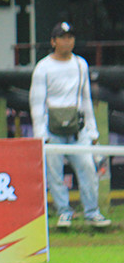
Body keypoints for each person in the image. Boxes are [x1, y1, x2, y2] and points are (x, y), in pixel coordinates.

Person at [30, 22, 111, 229]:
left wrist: (92, 130)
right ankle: (64, 211)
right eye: (63, 37)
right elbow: (37, 102)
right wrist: (41, 133)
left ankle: (92, 211)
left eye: (70, 37)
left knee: (87, 167)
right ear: (53, 41)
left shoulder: (80, 64)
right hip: (52, 128)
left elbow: (86, 99)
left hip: (77, 127)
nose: (68, 41)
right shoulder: (43, 67)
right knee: (54, 172)